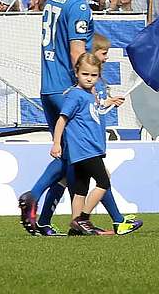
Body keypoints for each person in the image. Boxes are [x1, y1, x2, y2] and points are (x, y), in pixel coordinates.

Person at [19, 0, 138, 236]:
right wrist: (90, 88)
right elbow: (76, 51)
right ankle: (42, 200)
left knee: (70, 157)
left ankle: (52, 214)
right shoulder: (79, 4)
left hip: (49, 87)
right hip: (68, 88)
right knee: (88, 157)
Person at [50, 54, 126, 235]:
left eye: (93, 75)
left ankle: (76, 229)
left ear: (98, 76)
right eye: (85, 74)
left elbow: (95, 109)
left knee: (80, 189)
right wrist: (56, 143)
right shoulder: (75, 95)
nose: (89, 78)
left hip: (88, 149)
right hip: (86, 148)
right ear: (76, 73)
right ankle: (83, 218)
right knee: (103, 182)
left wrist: (110, 102)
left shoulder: (89, 95)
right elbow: (62, 120)